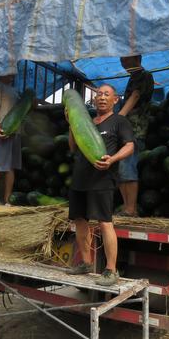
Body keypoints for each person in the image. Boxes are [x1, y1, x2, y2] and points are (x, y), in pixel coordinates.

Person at [66, 85, 134, 286]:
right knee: (80, 220)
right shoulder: (86, 121)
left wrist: (112, 159)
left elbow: (129, 145)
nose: (101, 98)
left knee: (105, 222)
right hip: (80, 178)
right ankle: (86, 262)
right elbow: (73, 147)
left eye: (106, 94)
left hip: (102, 180)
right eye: (98, 94)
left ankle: (111, 270)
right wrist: (71, 124)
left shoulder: (119, 122)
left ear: (115, 99)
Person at [117, 55, 154, 216]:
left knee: (127, 167)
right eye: (122, 60)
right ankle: (127, 207)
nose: (123, 63)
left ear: (137, 58)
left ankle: (130, 209)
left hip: (135, 131)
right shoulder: (132, 77)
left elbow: (135, 96)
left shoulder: (144, 76)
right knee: (121, 169)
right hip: (126, 130)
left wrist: (118, 118)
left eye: (126, 59)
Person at [0, 75, 22, 205]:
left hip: (15, 131)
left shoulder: (15, 90)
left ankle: (8, 199)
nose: (13, 74)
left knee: (11, 167)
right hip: (3, 130)